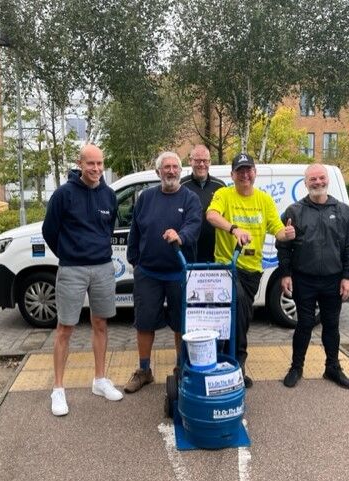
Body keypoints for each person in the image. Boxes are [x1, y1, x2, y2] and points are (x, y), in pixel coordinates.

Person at [42, 144, 123, 416]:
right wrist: (69, 253)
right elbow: (49, 231)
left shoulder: (109, 196)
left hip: (102, 268)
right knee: (65, 328)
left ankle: (100, 380)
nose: (97, 169)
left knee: (100, 324)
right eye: (91, 164)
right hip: (72, 269)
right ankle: (58, 389)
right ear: (80, 164)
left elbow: (107, 229)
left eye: (100, 164)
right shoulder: (63, 195)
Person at [206, 153, 295, 388]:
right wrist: (234, 229)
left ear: (254, 173)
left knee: (242, 318)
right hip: (226, 267)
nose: (245, 175)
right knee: (236, 312)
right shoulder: (224, 194)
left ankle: (233, 364)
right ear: (233, 174)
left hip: (252, 271)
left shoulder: (264, 200)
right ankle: (232, 366)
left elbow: (276, 230)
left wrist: (287, 234)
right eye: (240, 171)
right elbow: (211, 215)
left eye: (249, 170)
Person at [124, 151, 202, 393]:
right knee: (144, 323)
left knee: (181, 324)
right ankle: (144, 371)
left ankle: (181, 369)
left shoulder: (190, 199)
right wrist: (134, 260)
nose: (171, 171)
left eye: (175, 167)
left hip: (180, 273)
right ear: (158, 172)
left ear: (181, 171)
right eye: (166, 167)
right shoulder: (145, 198)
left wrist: (180, 236)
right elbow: (135, 231)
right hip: (148, 273)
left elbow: (194, 226)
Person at [276, 163, 349, 390]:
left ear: (327, 180)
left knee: (331, 325)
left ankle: (332, 367)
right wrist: (285, 274)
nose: (318, 182)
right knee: (304, 325)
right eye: (312, 179)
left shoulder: (343, 212)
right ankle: (296, 367)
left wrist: (348, 276)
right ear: (305, 183)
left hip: (333, 280)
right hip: (304, 279)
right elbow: (282, 245)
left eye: (321, 178)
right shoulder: (294, 211)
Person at [180, 144, 226, 262]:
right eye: (197, 160)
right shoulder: (181, 186)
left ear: (210, 162)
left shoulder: (220, 186)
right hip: (189, 253)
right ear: (190, 161)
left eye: (205, 161)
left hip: (215, 254)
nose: (201, 164)